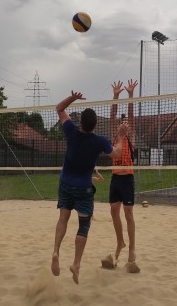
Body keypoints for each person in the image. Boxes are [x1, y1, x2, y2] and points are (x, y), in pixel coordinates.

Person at [51, 90, 127, 284]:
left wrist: (73, 98)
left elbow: (59, 108)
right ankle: (76, 264)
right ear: (94, 125)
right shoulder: (99, 141)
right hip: (84, 188)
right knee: (83, 226)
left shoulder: (71, 130)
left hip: (66, 184)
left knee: (63, 218)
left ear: (81, 123)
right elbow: (118, 154)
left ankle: (56, 252)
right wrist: (120, 135)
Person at [109, 79, 139, 268]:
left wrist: (130, 95)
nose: (125, 125)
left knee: (128, 213)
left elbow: (131, 116)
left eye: (127, 124)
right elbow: (112, 117)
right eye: (123, 124)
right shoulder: (115, 136)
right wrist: (115, 95)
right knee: (113, 212)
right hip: (115, 178)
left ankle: (132, 248)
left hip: (127, 178)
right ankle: (120, 241)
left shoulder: (131, 137)